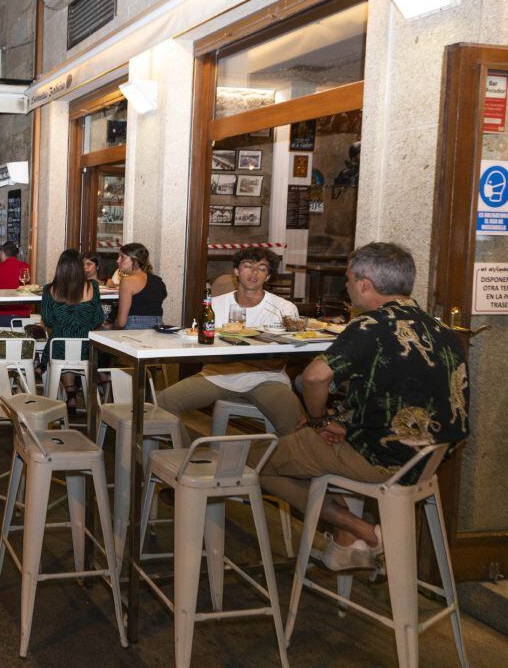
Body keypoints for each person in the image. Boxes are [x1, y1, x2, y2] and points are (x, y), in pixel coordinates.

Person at [259, 242, 469, 571]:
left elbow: (314, 378)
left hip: (383, 459)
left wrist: (317, 420)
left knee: (263, 465)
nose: (346, 285)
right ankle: (346, 543)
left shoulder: (369, 326)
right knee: (316, 451)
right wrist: (345, 426)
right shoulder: (441, 328)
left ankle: (365, 533)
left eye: (348, 278)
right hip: (430, 458)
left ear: (364, 284)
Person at [159, 247, 303, 436]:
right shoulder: (216, 304)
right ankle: (188, 457)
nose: (254, 272)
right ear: (236, 272)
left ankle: (276, 463)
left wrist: (232, 354)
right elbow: (205, 352)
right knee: (164, 401)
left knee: (298, 426)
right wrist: (249, 354)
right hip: (219, 375)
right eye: (247, 266)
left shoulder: (284, 308)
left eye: (262, 268)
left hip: (267, 379)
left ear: (268, 276)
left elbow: (278, 361)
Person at [40, 250, 104, 413]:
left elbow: (47, 320)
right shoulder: (93, 287)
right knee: (72, 343)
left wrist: (64, 326)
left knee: (62, 340)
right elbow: (98, 319)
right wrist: (81, 326)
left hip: (59, 347)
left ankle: (69, 393)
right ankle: (71, 393)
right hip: (86, 348)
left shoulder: (49, 290)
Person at [110, 243, 166, 329]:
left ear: (135, 261)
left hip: (133, 331)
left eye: (122, 257)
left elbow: (121, 323)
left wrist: (110, 327)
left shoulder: (127, 281)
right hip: (157, 329)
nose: (117, 260)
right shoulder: (158, 280)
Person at [0, 241, 31, 327]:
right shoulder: (25, 267)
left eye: (0, 253)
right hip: (23, 318)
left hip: (2, 318)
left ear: (3, 253)